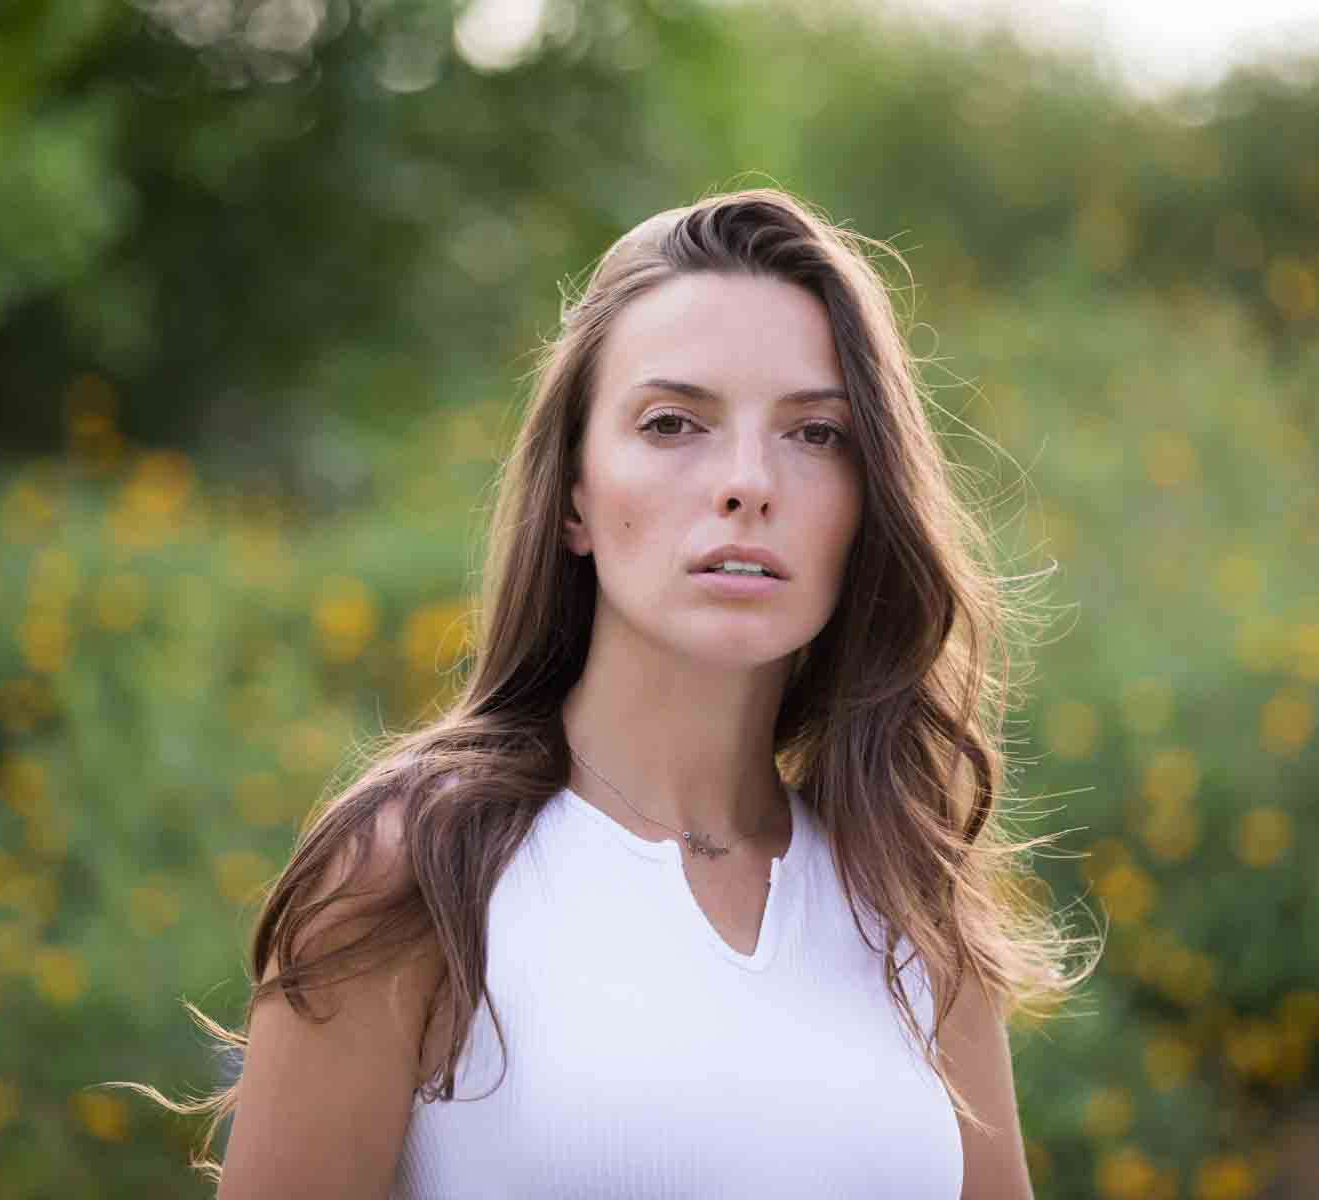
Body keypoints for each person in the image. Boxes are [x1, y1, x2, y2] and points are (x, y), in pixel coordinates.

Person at [121, 186, 1098, 1198]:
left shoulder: (908, 900)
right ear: (577, 496)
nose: (748, 482)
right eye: (674, 423)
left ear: (869, 500)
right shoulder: (414, 876)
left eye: (816, 435)